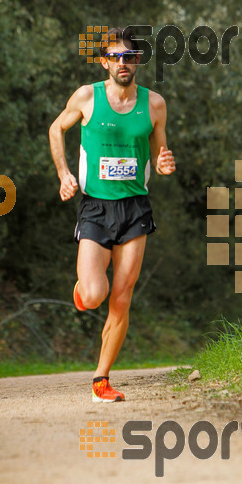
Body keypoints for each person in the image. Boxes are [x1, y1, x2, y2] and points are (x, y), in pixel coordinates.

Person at [48, 27, 176, 402]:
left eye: (131, 57)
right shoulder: (88, 97)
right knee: (94, 294)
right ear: (105, 62)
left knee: (122, 296)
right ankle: (83, 293)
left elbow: (160, 153)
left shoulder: (155, 104)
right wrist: (64, 173)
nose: (124, 63)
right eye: (117, 57)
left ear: (137, 62)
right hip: (95, 205)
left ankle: (101, 380)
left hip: (135, 206)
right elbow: (57, 128)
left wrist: (165, 163)